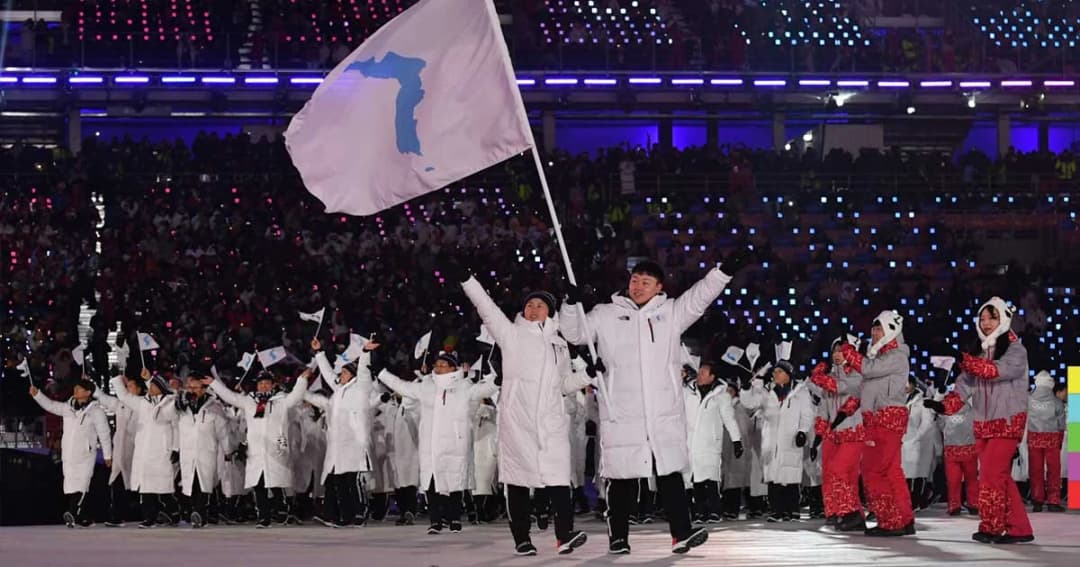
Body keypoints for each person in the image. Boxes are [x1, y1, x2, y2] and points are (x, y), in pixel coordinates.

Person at [561, 253, 750, 554]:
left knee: (670, 475)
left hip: (662, 411)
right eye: (635, 281)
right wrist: (571, 305)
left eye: (645, 282)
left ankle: (682, 533)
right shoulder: (605, 313)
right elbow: (575, 333)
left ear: (659, 287)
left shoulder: (672, 313)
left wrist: (723, 271)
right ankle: (618, 536)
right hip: (623, 411)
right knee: (622, 479)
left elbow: (700, 297)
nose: (638, 287)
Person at [457, 269, 590, 555]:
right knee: (517, 480)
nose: (532, 309)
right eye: (529, 305)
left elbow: (565, 384)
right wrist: (469, 281)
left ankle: (564, 535)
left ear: (550, 313)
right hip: (518, 420)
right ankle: (522, 538)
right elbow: (487, 308)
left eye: (539, 306)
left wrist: (587, 375)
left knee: (558, 479)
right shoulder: (512, 334)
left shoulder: (559, 345)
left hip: (551, 421)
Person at [925, 297, 1034, 544]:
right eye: (982, 318)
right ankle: (1020, 528)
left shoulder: (1016, 349)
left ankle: (992, 527)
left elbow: (994, 372)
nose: (985, 323)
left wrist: (963, 358)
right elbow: (964, 386)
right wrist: (943, 405)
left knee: (991, 475)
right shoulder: (978, 352)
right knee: (999, 476)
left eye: (991, 317)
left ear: (1004, 318)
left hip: (1007, 421)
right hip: (984, 423)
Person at [375, 351, 498, 535]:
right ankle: (435, 521)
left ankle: (454, 518)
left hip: (454, 443)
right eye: (437, 365)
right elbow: (402, 387)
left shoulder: (463, 387)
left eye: (443, 365)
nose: (438, 368)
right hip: (430, 443)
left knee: (454, 482)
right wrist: (382, 373)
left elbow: (482, 390)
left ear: (452, 368)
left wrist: (497, 379)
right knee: (431, 483)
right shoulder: (427, 386)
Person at [838, 310, 916, 536]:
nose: (874, 333)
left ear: (892, 330)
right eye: (873, 328)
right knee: (892, 471)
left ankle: (890, 522)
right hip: (880, 418)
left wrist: (849, 352)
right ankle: (904, 518)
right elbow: (867, 385)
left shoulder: (896, 355)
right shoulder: (881, 357)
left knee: (873, 470)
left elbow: (869, 370)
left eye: (879, 328)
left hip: (885, 418)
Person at [204, 367, 312, 528]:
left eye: (267, 383)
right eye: (260, 383)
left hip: (275, 448)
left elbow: (296, 396)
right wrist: (213, 383)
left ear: (273, 385)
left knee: (275, 483)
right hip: (256, 451)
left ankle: (281, 508)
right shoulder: (249, 401)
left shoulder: (281, 401)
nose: (263, 386)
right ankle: (264, 517)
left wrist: (302, 380)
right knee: (259, 484)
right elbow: (230, 396)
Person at [308, 338, 381, 528]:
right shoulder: (338, 390)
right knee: (340, 482)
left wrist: (365, 353)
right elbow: (327, 372)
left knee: (353, 481)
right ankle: (345, 516)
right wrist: (319, 353)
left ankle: (360, 513)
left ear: (353, 375)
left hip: (355, 444)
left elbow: (364, 372)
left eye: (345, 372)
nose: (340, 375)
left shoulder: (361, 388)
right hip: (338, 446)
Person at [29, 379, 113, 528]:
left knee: (82, 484)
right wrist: (37, 395)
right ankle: (82, 517)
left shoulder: (96, 411)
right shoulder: (68, 408)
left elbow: (104, 433)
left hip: (85, 454)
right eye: (75, 388)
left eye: (79, 389)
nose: (76, 391)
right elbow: (51, 405)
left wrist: (107, 455)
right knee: (71, 485)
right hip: (69, 453)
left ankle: (73, 512)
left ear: (87, 392)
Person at [740, 360, 812, 522]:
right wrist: (746, 389)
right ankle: (777, 511)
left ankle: (792, 510)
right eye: (774, 372)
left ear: (788, 374)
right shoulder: (767, 393)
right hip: (771, 441)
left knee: (790, 475)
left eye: (779, 371)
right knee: (773, 477)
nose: (775, 374)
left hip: (790, 440)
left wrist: (803, 431)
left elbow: (807, 414)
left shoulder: (800, 392)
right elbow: (751, 403)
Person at [808, 337, 865, 531]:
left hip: (852, 431)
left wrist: (819, 378)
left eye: (841, 350)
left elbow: (841, 387)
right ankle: (834, 511)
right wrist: (817, 437)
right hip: (832, 434)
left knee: (842, 472)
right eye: (834, 351)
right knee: (829, 473)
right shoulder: (830, 376)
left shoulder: (858, 374)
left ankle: (852, 513)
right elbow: (823, 409)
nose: (837, 354)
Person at [110, 370, 180, 528]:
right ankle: (150, 517)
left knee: (162, 487)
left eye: (155, 386)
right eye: (150, 386)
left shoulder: (170, 403)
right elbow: (125, 397)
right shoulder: (143, 403)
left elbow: (176, 427)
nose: (151, 388)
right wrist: (116, 379)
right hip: (144, 451)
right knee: (147, 486)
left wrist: (176, 448)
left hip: (162, 451)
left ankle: (173, 512)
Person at [165, 375, 231, 528]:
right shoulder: (183, 406)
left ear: (204, 389)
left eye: (194, 388)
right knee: (191, 483)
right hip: (188, 452)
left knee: (203, 483)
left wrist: (228, 449)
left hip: (206, 450)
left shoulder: (214, 407)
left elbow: (223, 431)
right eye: (189, 387)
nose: (191, 391)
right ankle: (197, 513)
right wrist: (177, 401)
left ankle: (200, 513)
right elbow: (166, 418)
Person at [683, 362, 742, 524]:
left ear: (712, 377)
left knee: (711, 480)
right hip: (691, 443)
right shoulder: (689, 393)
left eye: (703, 373)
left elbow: (729, 419)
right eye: (699, 372)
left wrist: (736, 440)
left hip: (710, 443)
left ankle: (715, 511)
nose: (700, 375)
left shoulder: (721, 396)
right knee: (696, 481)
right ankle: (699, 513)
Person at [94, 376, 143, 527]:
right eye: (126, 386)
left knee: (138, 483)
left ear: (139, 389)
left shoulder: (144, 405)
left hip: (136, 450)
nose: (128, 389)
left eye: (131, 386)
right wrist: (91, 385)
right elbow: (102, 397)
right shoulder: (120, 404)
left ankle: (151, 513)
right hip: (119, 450)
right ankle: (116, 514)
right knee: (117, 482)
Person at [927, 386, 978, 516]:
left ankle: (955, 506)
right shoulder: (972, 410)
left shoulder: (946, 412)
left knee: (954, 481)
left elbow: (939, 427)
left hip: (954, 449)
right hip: (966, 449)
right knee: (969, 479)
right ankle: (972, 504)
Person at [1027, 370, 1066, 512]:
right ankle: (1053, 501)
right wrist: (1060, 439)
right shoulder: (1056, 402)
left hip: (1034, 438)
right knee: (1053, 471)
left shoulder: (1028, 399)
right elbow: (1061, 423)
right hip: (1052, 438)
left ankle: (1037, 501)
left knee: (1035, 471)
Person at [721, 379, 752, 520]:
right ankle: (727, 508)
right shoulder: (725, 406)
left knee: (734, 480)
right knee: (727, 480)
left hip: (735, 449)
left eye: (730, 390)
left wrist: (738, 445)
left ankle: (732, 509)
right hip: (724, 448)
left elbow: (743, 430)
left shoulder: (738, 408)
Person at [902, 377, 935, 512]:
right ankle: (905, 501)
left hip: (917, 443)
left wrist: (916, 438)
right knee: (904, 475)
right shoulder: (899, 400)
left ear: (914, 384)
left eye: (907, 383)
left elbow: (926, 424)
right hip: (902, 442)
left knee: (917, 474)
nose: (904, 386)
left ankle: (916, 501)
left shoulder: (922, 401)